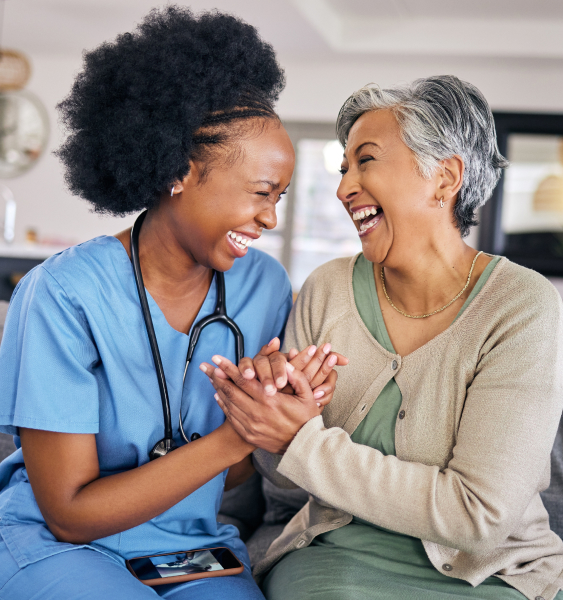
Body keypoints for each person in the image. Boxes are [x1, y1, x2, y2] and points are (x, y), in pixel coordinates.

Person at [0, 7, 340, 599]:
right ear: (179, 171)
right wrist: (239, 432)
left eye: (281, 197)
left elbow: (232, 477)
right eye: (261, 194)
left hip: (190, 547)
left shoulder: (263, 287)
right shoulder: (61, 294)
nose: (270, 218)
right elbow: (70, 514)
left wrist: (273, 407)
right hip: (61, 543)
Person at [207, 76, 563, 600]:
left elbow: (479, 516)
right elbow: (287, 490)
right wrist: (272, 410)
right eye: (343, 167)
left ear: (444, 177)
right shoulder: (327, 289)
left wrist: (298, 437)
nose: (344, 186)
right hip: (334, 560)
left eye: (366, 160)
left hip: (490, 574)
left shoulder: (520, 304)